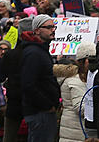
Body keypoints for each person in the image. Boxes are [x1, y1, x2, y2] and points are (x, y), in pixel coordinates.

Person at [20, 14, 59, 142]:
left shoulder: (41, 50)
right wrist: (47, 105)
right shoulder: (34, 53)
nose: (53, 30)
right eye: (49, 27)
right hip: (39, 113)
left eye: (54, 27)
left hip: (42, 113)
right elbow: (28, 84)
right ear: (37, 30)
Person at [55, 42, 94, 142]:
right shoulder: (76, 81)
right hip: (75, 133)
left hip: (73, 131)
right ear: (85, 61)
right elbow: (80, 107)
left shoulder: (82, 78)